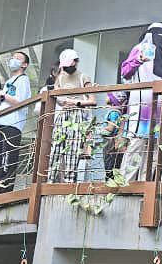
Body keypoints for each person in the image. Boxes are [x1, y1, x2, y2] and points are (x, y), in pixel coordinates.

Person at [120, 23, 162, 182]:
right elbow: (125, 72)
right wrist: (138, 60)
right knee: (136, 145)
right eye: (160, 35)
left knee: (154, 149)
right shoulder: (139, 49)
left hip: (158, 109)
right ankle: (124, 183)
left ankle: (144, 184)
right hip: (141, 106)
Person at [48, 49, 101, 183]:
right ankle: (49, 181)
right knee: (56, 148)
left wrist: (75, 102)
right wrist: (63, 101)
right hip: (63, 114)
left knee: (73, 150)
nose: (67, 68)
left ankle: (69, 182)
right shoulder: (60, 77)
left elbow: (92, 100)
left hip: (78, 115)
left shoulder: (83, 77)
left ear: (76, 62)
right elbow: (55, 95)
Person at [0, 51, 32, 194]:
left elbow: (20, 102)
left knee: (8, 160)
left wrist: (2, 94)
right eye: (13, 57)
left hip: (12, 125)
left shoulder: (23, 80)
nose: (13, 60)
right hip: (0, 124)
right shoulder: (9, 82)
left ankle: (4, 194)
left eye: (18, 59)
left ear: (24, 64)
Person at [102, 92, 129, 176]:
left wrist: (98, 129)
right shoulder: (117, 112)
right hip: (112, 142)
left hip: (110, 141)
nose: (106, 97)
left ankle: (110, 181)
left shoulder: (114, 112)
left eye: (109, 96)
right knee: (113, 165)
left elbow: (110, 128)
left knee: (109, 164)